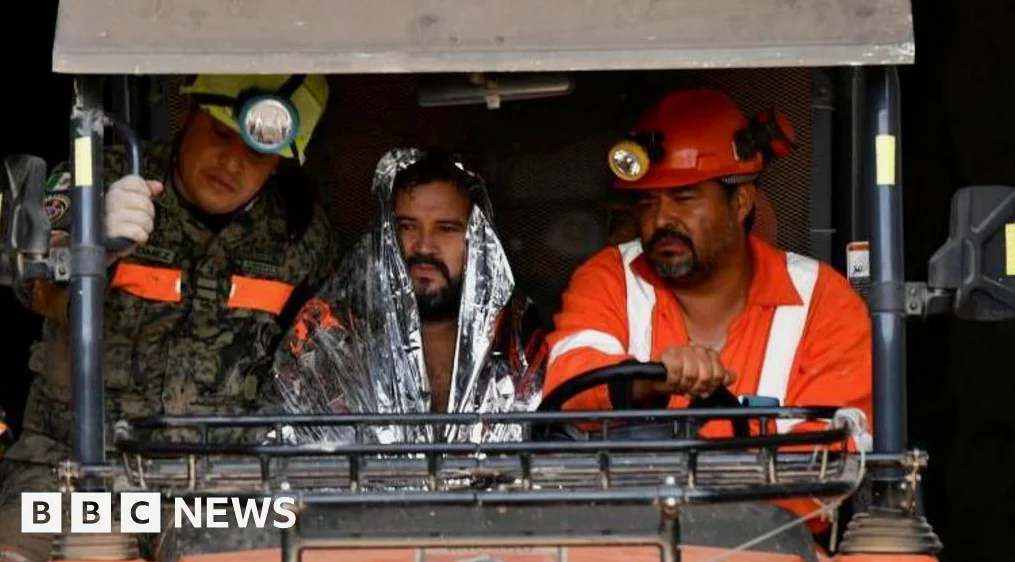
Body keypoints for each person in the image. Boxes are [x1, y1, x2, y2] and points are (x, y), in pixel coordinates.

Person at [0, 74, 337, 562]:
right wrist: (89, 240)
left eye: (258, 153)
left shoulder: (302, 233)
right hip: (70, 473)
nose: (232, 162)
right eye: (221, 134)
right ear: (191, 113)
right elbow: (29, 282)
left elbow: (322, 367)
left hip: (221, 494)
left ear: (282, 160)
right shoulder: (101, 177)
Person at [543, 89, 872, 533]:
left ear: (740, 203)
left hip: (763, 548)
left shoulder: (822, 300)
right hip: (622, 542)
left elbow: (829, 463)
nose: (661, 221)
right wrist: (649, 380)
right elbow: (568, 382)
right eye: (647, 202)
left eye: (684, 198)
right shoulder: (609, 277)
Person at [273, 147, 548, 445]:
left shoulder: (518, 337)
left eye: (446, 228)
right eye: (407, 226)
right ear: (385, 235)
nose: (424, 247)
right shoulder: (330, 338)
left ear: (478, 241)